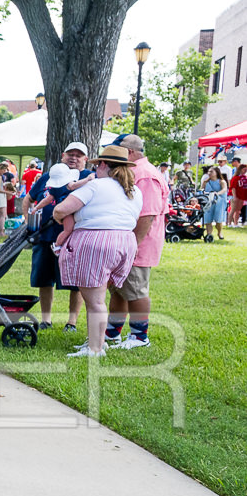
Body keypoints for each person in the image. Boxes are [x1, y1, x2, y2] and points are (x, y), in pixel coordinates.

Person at [52, 145, 142, 358]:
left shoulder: (96, 186)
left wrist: (63, 222)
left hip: (96, 241)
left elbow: (60, 209)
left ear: (102, 165)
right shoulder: (134, 190)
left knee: (95, 301)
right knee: (99, 296)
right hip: (125, 242)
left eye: (97, 166)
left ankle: (95, 349)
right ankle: (97, 342)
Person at [104, 134, 167, 350]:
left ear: (129, 151)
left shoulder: (145, 175)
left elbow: (146, 215)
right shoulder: (135, 171)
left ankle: (140, 337)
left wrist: (132, 247)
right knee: (119, 289)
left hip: (138, 244)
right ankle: (112, 334)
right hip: (126, 242)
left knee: (136, 290)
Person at [25, 141, 91, 330]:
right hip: (44, 236)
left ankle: (72, 322)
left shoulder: (88, 178)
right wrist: (29, 220)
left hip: (73, 239)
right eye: (70, 154)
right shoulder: (49, 176)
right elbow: (29, 199)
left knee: (75, 283)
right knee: (44, 280)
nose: (74, 158)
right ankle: (46, 320)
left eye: (79, 155)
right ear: (62, 155)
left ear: (85, 159)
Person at [202, 165, 228, 240]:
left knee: (218, 219)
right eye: (209, 171)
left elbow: (224, 189)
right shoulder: (206, 181)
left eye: (211, 171)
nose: (209, 173)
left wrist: (217, 193)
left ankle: (219, 232)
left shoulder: (221, 181)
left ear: (216, 172)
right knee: (207, 219)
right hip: (209, 201)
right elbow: (202, 189)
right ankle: (209, 234)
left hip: (219, 201)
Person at [229, 162, 247, 227]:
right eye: (244, 169)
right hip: (235, 195)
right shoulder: (236, 177)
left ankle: (236, 223)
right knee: (233, 209)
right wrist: (235, 196)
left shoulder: (244, 177)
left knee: (238, 210)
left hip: (241, 195)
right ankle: (229, 223)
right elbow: (233, 187)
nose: (245, 171)